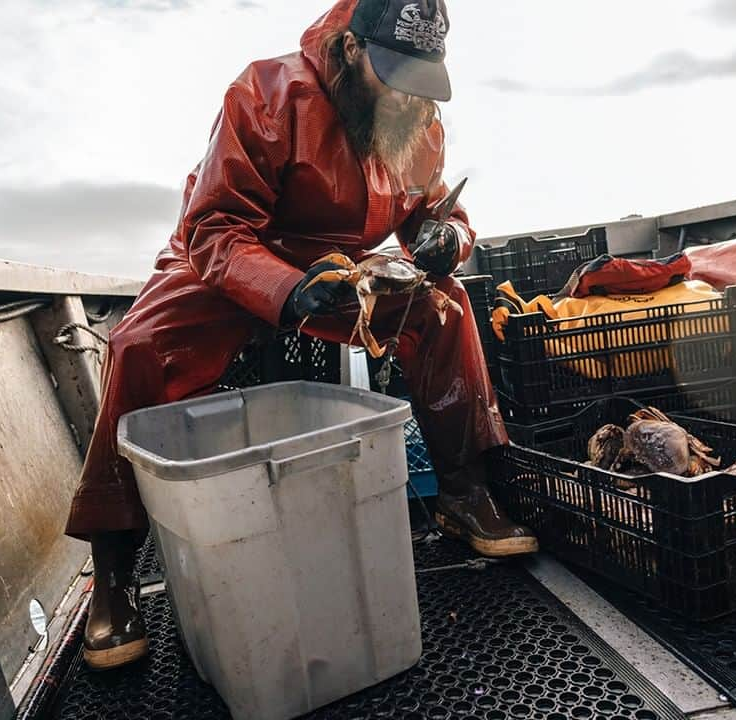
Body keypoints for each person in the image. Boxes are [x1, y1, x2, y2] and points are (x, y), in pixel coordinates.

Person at [66, 0, 537, 671]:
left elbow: (443, 210)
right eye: (395, 72)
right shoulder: (262, 92)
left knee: (446, 308)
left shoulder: (419, 122)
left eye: (422, 76)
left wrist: (448, 238)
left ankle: (464, 492)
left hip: (344, 276)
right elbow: (214, 230)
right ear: (349, 50)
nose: (410, 92)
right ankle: (112, 570)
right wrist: (284, 289)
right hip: (228, 264)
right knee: (138, 344)